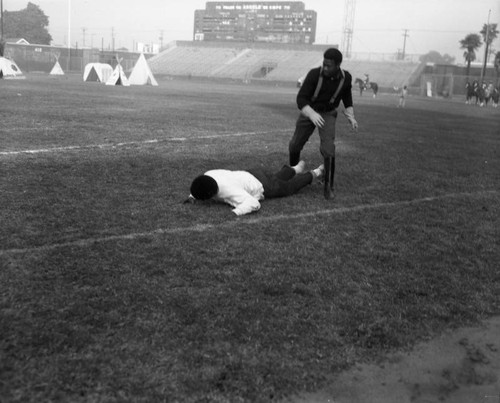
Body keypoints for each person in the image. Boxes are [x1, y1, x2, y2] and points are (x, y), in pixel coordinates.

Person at [288, 48, 358, 200]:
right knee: (294, 145)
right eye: (324, 64)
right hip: (309, 111)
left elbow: (347, 96)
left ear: (338, 65)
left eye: (329, 65)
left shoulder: (346, 78)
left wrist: (350, 114)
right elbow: (301, 99)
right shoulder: (314, 74)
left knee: (328, 150)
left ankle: (328, 184)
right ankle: (293, 175)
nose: (325, 68)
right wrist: (312, 114)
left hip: (328, 113)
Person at [185, 161, 324, 216]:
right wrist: (192, 196)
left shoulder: (228, 192)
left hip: (263, 185)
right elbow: (200, 185)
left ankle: (316, 172)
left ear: (211, 195)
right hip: (252, 172)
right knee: (276, 178)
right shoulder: (208, 174)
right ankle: (294, 169)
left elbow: (254, 203)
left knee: (289, 188)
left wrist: (236, 212)